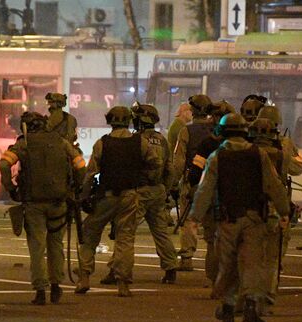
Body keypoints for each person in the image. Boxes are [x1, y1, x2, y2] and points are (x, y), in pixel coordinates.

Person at [188, 113, 290, 322]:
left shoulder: (217, 156)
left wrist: (195, 217)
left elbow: (205, 189)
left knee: (229, 263)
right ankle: (251, 306)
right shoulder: (259, 154)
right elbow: (274, 185)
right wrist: (284, 211)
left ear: (222, 132)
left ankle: (228, 307)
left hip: (228, 220)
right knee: (252, 262)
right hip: (255, 219)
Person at [0, 111, 86, 305]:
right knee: (56, 245)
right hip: (59, 202)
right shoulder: (61, 142)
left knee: (37, 247)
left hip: (34, 204)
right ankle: (56, 286)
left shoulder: (24, 144)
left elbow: (4, 164)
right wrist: (74, 188)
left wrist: (11, 188)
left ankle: (40, 290)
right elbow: (80, 165)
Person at [75, 106, 157, 297]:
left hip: (106, 196)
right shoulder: (141, 142)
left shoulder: (102, 143)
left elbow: (90, 174)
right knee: (125, 239)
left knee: (89, 235)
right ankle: (123, 284)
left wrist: (83, 196)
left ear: (110, 121)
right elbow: (155, 163)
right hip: (130, 195)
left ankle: (84, 278)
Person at [100, 103, 178, 285]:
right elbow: (170, 169)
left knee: (125, 232)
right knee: (160, 232)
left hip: (139, 191)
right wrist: (164, 190)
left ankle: (115, 270)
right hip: (157, 190)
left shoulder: (136, 141)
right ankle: (171, 268)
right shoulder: (162, 140)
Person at [184, 100, 234, 289]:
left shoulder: (207, 144)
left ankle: (215, 283)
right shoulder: (248, 146)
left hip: (213, 201)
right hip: (236, 202)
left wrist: (193, 195)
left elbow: (195, 174)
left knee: (212, 241)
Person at [257, 106, 302, 257]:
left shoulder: (248, 142)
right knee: (280, 234)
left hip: (251, 196)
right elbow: (300, 167)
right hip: (277, 196)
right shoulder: (285, 144)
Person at [172, 94, 213, 271]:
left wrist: (173, 182)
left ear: (193, 110)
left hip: (192, 180)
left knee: (189, 221)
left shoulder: (186, 131)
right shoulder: (218, 130)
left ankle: (187, 258)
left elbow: (179, 161)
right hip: (214, 180)